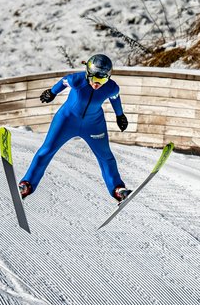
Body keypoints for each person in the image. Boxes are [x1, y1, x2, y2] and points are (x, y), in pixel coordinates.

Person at [18, 53, 132, 202]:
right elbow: (63, 81)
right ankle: (27, 184)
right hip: (67, 120)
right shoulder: (76, 80)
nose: (97, 83)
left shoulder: (111, 87)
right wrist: (51, 92)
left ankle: (118, 189)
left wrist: (120, 115)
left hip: (94, 124)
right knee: (46, 150)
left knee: (106, 157)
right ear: (88, 73)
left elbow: (115, 97)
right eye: (95, 78)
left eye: (102, 79)